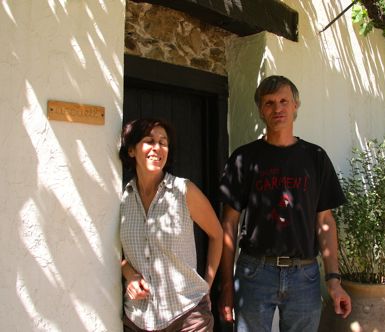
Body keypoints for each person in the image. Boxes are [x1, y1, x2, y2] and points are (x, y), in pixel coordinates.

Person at [218, 76, 352, 331]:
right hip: (254, 272)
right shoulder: (243, 158)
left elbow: (325, 222)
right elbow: (229, 223)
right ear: (260, 110)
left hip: (305, 275)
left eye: (283, 101)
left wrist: (334, 281)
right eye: (269, 103)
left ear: (295, 105)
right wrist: (226, 286)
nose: (277, 108)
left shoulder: (316, 158)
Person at [119, 118, 223, 332]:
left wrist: (207, 287)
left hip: (188, 317)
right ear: (131, 150)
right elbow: (113, 252)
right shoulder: (122, 199)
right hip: (139, 319)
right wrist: (128, 273)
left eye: (163, 142)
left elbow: (217, 234)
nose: (157, 148)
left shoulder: (184, 190)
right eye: (149, 141)